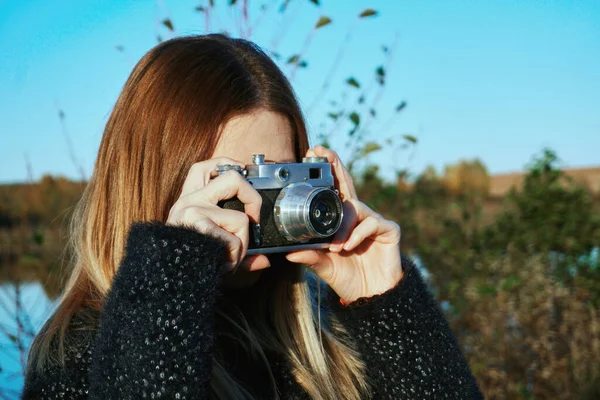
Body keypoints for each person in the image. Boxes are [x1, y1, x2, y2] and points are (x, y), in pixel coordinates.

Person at [22, 34, 482, 400]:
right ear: (154, 186)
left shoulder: (326, 333)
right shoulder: (81, 357)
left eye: (277, 179)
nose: (258, 208)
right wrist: (174, 274)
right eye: (232, 184)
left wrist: (385, 306)